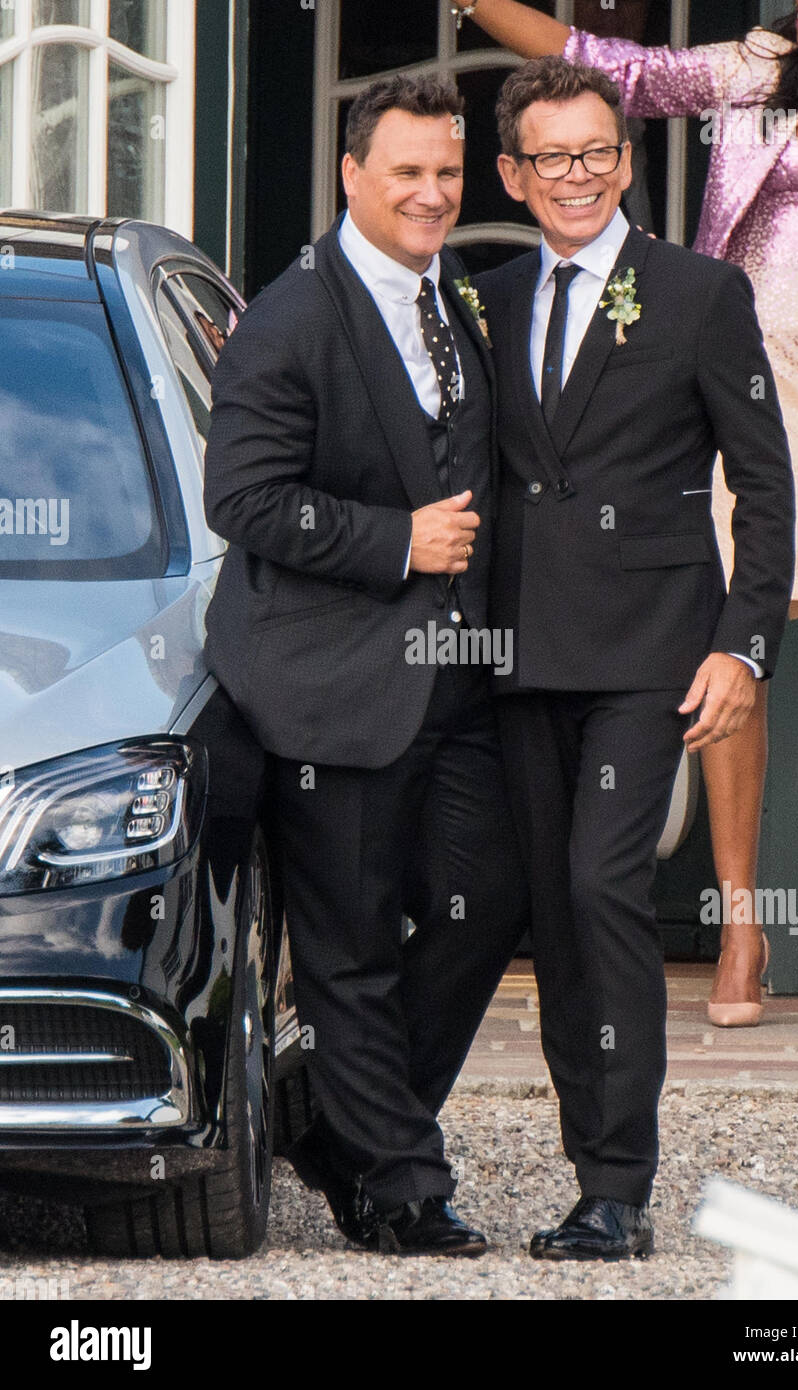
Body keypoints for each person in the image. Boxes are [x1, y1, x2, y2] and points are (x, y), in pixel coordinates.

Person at [452, 0, 798, 1029]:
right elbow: (609, 62)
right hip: (729, 382)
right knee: (731, 652)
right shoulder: (752, 74)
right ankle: (743, 924)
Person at [475, 56, 794, 1260]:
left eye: (597, 153)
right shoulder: (486, 299)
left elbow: (765, 491)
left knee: (606, 885)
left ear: (625, 157)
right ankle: (576, 1163)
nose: (576, 176)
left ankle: (619, 1184)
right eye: (550, 157)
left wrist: (744, 650)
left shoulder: (703, 294)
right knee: (550, 913)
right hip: (513, 657)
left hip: (648, 658)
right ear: (513, 171)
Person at [202, 74, 526, 1256]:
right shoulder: (291, 316)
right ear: (350, 176)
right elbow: (238, 498)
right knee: (346, 949)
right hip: (325, 686)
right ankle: (397, 1191)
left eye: (447, 173)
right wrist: (397, 541)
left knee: (490, 895)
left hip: (457, 677)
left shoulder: (461, 303)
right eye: (407, 173)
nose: (432, 194)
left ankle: (339, 1123)